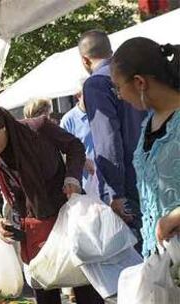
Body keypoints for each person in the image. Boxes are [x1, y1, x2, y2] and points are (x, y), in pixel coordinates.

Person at [0, 102, 103, 304]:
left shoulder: (39, 128)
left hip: (65, 216)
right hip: (31, 228)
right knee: (44, 289)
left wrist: (72, 177)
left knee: (84, 284)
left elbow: (75, 146)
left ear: (2, 126)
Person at [110, 37, 180, 257]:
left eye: (118, 87)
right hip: (162, 262)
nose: (119, 95)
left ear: (140, 82)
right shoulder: (148, 123)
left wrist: (175, 216)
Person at [78, 30, 147, 249]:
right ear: (111, 51)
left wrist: (114, 192)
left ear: (85, 60)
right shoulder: (133, 74)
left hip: (128, 182)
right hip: (153, 171)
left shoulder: (96, 83)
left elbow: (107, 139)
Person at [60, 83, 97, 194]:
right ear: (78, 95)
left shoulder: (101, 112)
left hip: (105, 179)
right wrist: (83, 160)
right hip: (85, 182)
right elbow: (63, 153)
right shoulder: (68, 120)